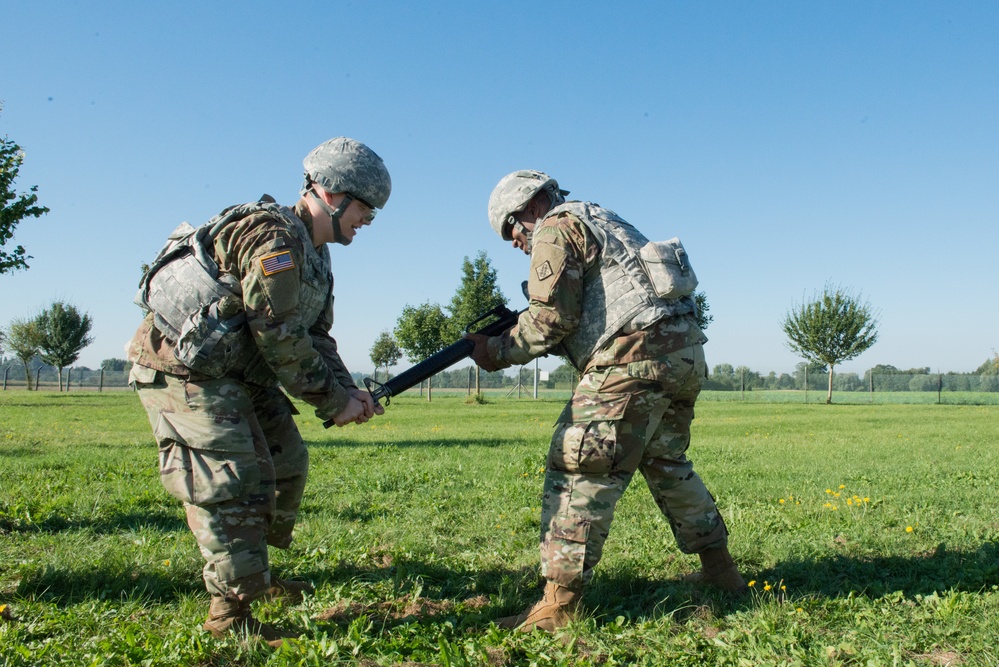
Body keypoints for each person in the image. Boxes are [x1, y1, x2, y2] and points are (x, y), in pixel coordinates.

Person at [126, 137, 391, 646]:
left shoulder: (316, 254)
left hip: (238, 372)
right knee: (234, 486)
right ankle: (231, 617)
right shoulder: (273, 238)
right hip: (186, 371)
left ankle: (255, 580)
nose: (367, 222)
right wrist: (334, 403)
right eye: (365, 210)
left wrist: (349, 390)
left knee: (287, 460)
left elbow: (315, 335)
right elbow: (279, 336)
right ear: (332, 196)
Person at [467, 170, 747, 633]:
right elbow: (591, 313)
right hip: (682, 351)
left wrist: (493, 352)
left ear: (529, 209)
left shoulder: (555, 226)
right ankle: (722, 574)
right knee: (667, 463)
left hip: (632, 356)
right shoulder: (604, 220)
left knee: (579, 464)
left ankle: (559, 606)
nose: (516, 243)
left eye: (512, 231)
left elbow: (549, 320)